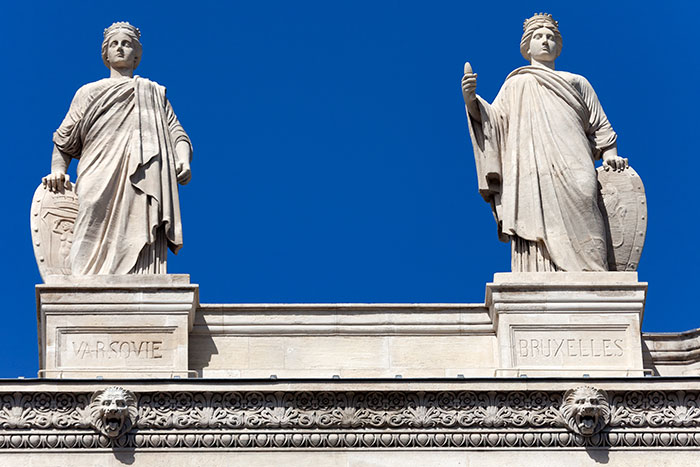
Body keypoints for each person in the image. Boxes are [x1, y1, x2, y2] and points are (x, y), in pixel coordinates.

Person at [461, 13, 628, 272]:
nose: (545, 41)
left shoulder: (577, 81)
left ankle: (596, 274)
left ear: (558, 46)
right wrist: (471, 100)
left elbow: (600, 125)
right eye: (538, 37)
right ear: (527, 45)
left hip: (575, 158)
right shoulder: (516, 83)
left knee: (586, 195)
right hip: (531, 165)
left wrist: (609, 155)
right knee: (534, 210)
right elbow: (494, 122)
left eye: (550, 37)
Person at [43, 22, 192, 275]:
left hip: (144, 171)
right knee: (89, 210)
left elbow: (176, 132)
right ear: (106, 54)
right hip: (97, 168)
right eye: (114, 44)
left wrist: (183, 159)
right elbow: (64, 139)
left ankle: (141, 279)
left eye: (127, 44)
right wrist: (58, 170)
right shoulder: (89, 92)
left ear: (137, 54)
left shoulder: (152, 92)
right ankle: (82, 281)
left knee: (142, 216)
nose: (120, 48)